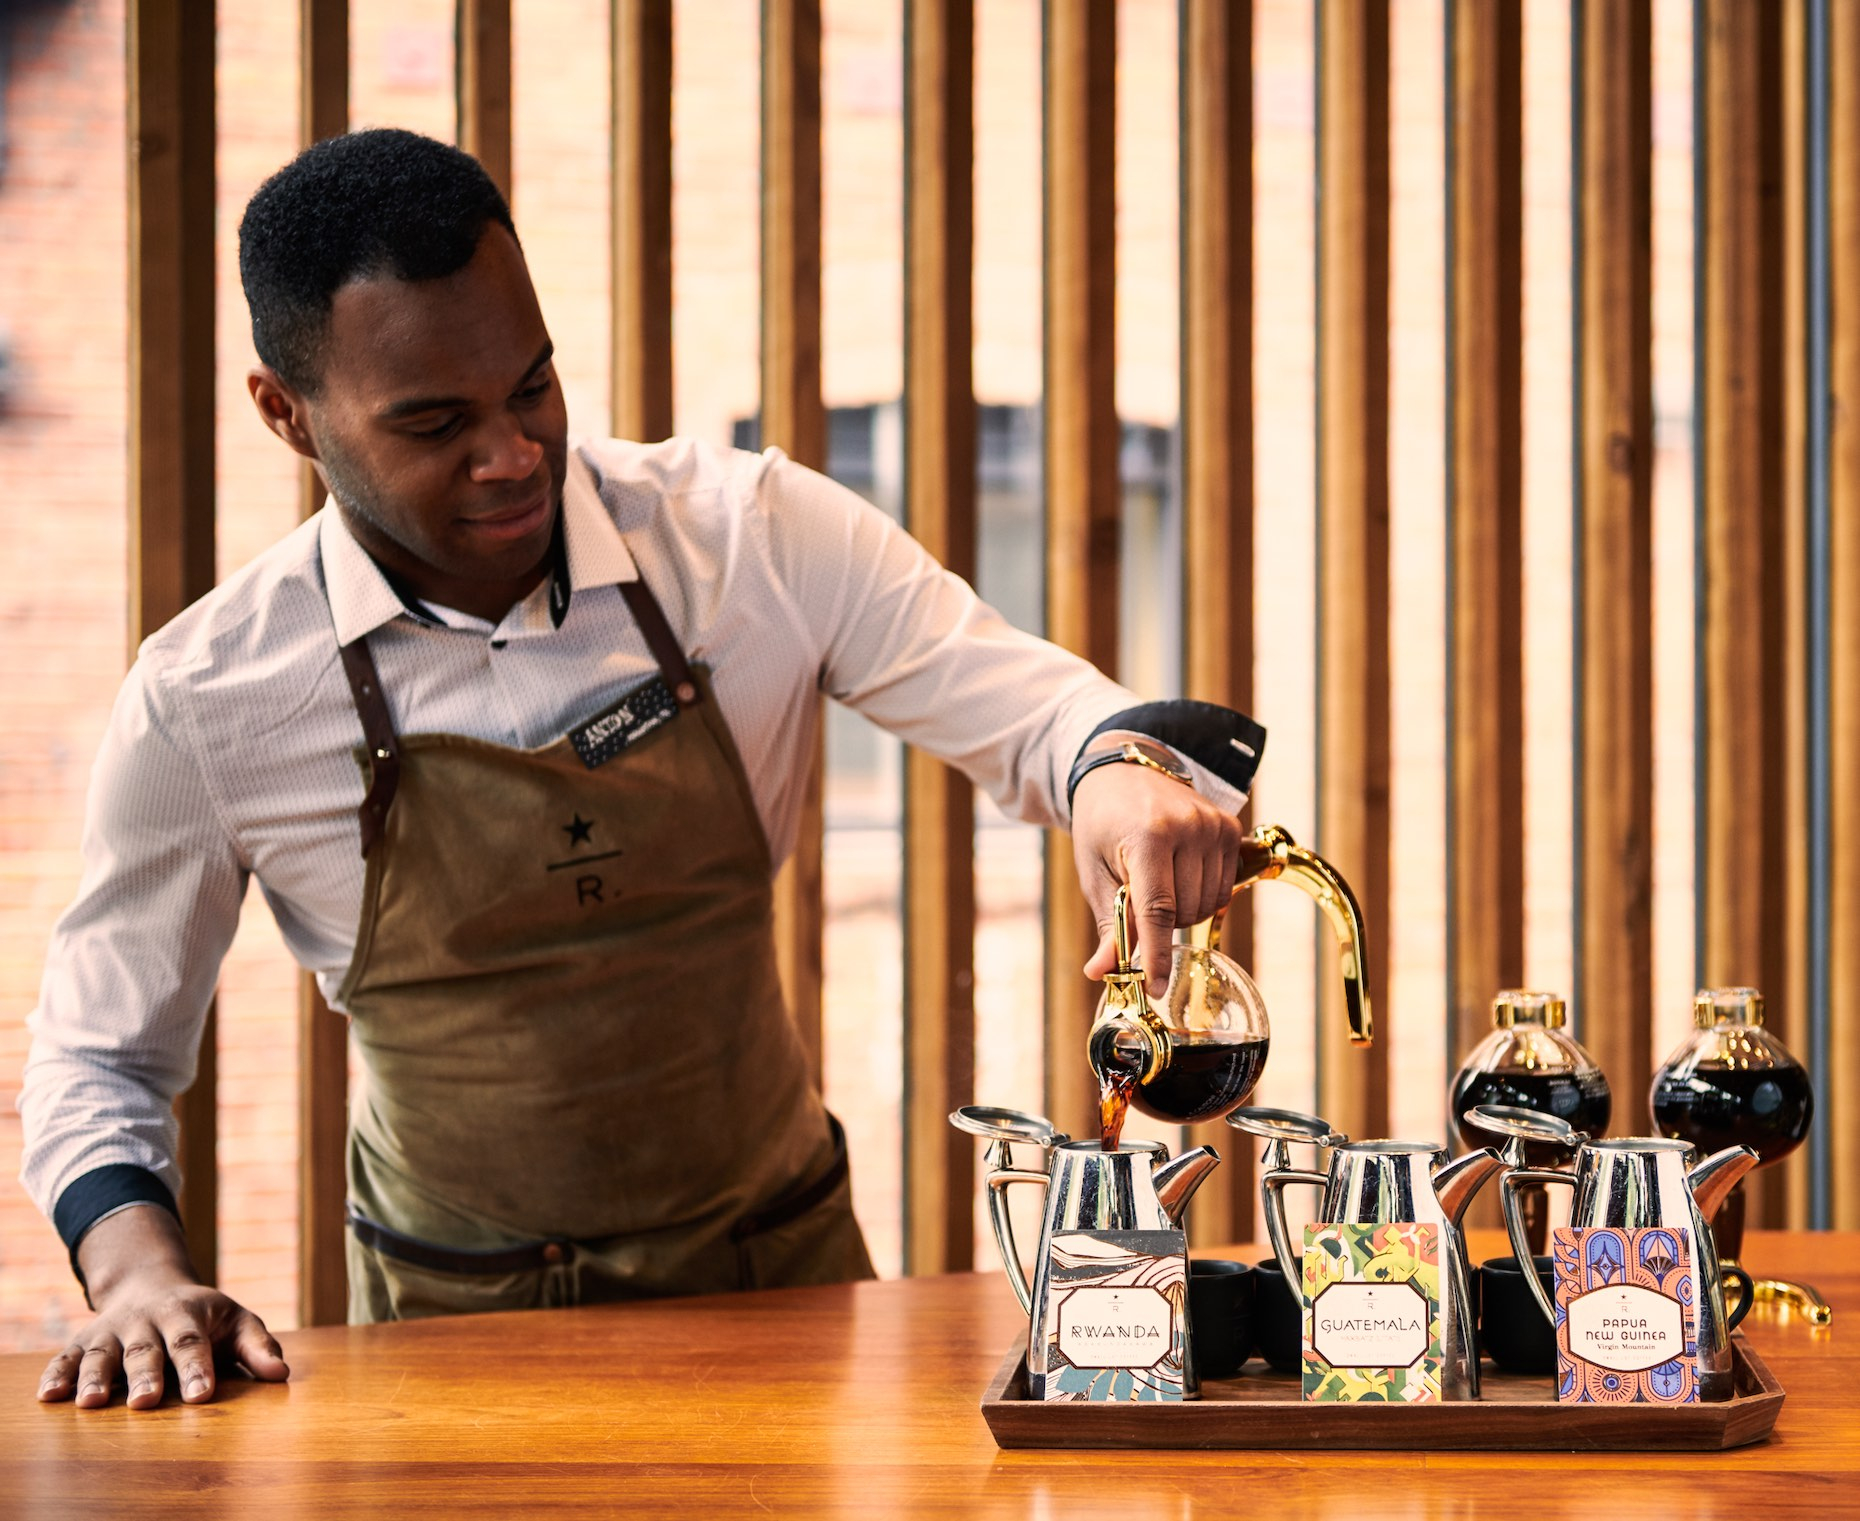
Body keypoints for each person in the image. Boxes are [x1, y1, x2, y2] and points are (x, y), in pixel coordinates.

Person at [20, 129, 1265, 1411]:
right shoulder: (210, 698)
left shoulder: (748, 539)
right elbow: (98, 1059)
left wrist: (1112, 770)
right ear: (287, 414)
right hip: (446, 1340)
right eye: (437, 424)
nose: (512, 456)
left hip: (784, 1291)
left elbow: (1037, 708)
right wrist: (137, 1278)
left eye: (534, 388)